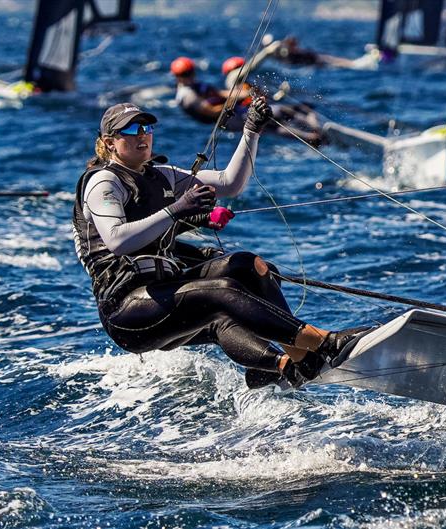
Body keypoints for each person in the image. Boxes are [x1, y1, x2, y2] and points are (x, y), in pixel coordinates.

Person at [72, 100, 361, 389]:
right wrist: (178, 209)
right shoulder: (104, 182)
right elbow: (118, 240)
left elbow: (229, 183)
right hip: (127, 310)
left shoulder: (163, 176)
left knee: (250, 267)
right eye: (132, 129)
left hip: (166, 288)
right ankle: (323, 343)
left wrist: (251, 130)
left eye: (147, 127)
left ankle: (292, 361)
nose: (142, 134)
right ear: (110, 142)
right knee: (222, 292)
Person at [220, 56, 323, 146]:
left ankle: (311, 138)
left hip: (252, 116)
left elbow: (268, 98)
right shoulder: (232, 81)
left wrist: (280, 95)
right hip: (262, 111)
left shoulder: (244, 84)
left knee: (277, 129)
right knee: (291, 112)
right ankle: (316, 127)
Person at [170, 56, 249, 129]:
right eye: (184, 74)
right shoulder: (187, 95)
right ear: (177, 77)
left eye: (190, 72)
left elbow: (220, 94)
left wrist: (247, 93)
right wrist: (232, 102)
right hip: (228, 121)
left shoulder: (194, 85)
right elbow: (212, 112)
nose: (189, 76)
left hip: (230, 109)